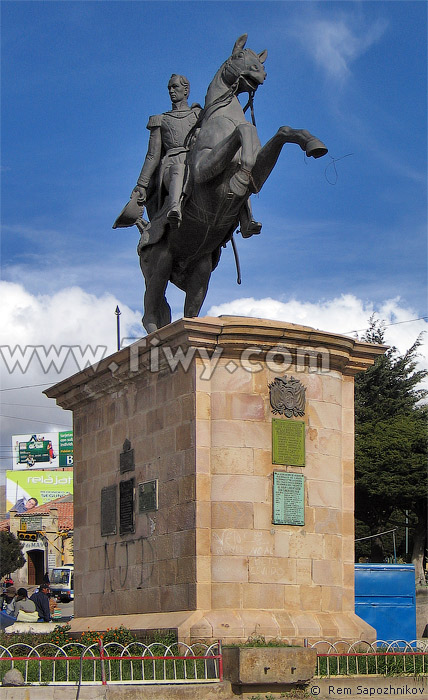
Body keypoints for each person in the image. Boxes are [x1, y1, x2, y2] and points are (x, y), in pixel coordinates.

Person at [131, 75, 261, 237]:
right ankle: (174, 209)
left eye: (175, 87)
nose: (171, 91)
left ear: (186, 90)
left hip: (196, 161)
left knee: (231, 170)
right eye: (169, 88)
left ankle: (246, 219)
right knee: (179, 169)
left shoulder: (198, 115)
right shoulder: (160, 120)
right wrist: (141, 185)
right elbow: (152, 155)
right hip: (172, 165)